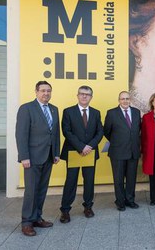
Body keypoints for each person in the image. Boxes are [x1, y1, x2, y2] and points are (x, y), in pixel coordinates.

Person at [15, 80, 60, 236]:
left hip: (48, 156)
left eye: (48, 90)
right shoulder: (27, 108)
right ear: (36, 92)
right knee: (31, 191)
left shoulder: (54, 109)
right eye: (43, 90)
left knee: (41, 190)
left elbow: (55, 133)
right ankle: (27, 222)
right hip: (32, 158)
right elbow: (21, 134)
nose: (46, 93)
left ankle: (37, 218)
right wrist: (24, 157)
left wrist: (56, 153)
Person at [59, 86, 103, 223]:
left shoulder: (96, 113)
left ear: (91, 97)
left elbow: (100, 132)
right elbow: (66, 131)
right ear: (77, 95)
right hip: (74, 152)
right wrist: (81, 146)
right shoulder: (68, 111)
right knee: (71, 181)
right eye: (82, 94)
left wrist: (89, 146)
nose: (84, 96)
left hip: (90, 152)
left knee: (89, 181)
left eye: (88, 94)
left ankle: (88, 207)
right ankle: (65, 210)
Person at [104, 91, 141, 211]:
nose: (125, 101)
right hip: (118, 151)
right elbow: (106, 131)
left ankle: (130, 200)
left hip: (133, 151)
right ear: (119, 100)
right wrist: (118, 141)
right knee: (118, 179)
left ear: (130, 100)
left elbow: (138, 130)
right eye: (122, 98)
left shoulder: (136, 112)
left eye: (127, 98)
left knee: (131, 178)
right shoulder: (111, 113)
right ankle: (120, 202)